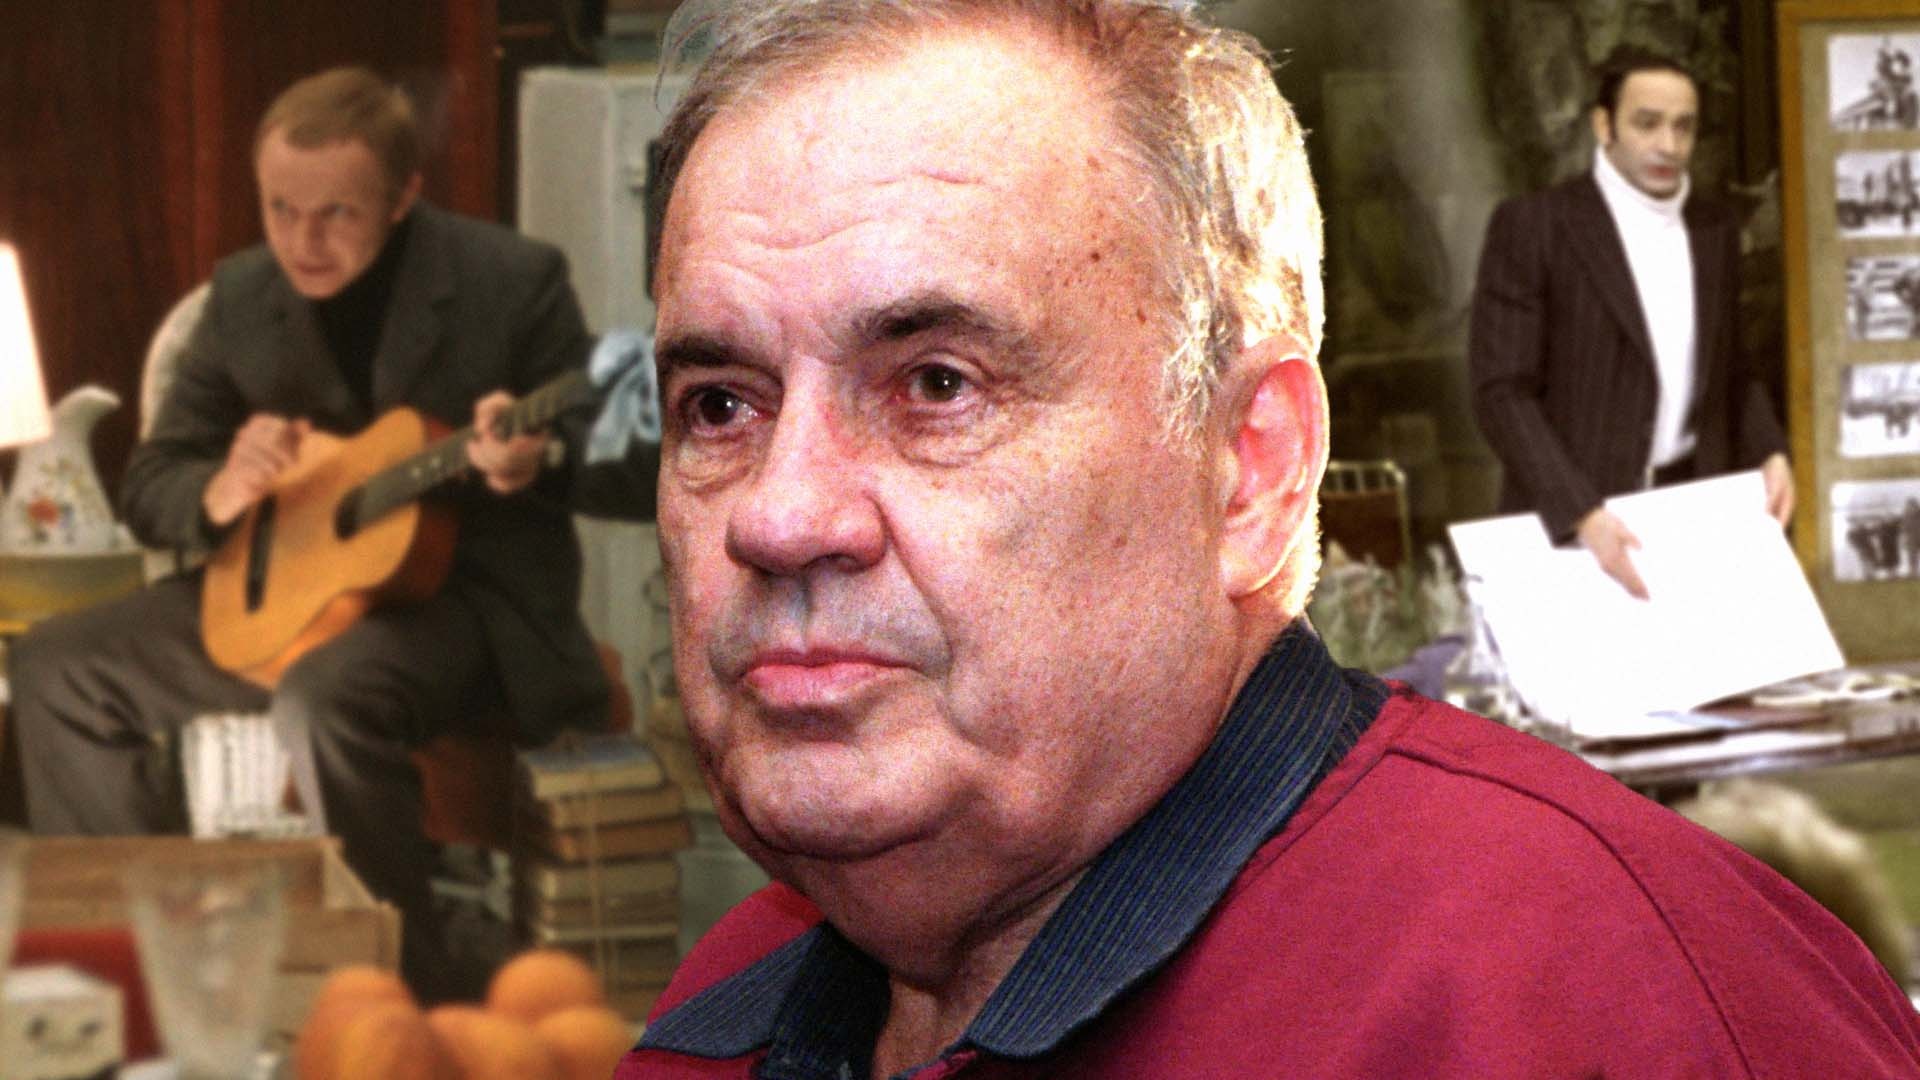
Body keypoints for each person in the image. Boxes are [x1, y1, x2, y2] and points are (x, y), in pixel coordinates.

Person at [619, 3, 1920, 1076]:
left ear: (1253, 469)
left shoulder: (1605, 1005)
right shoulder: (719, 1015)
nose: (780, 516)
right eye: (720, 406)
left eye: (937, 387)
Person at [2, 67, 654, 1000]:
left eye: (337, 213)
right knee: (57, 668)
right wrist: (219, 488)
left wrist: (540, 458)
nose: (302, 241)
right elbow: (151, 482)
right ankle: (139, 965)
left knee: (324, 700)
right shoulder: (243, 295)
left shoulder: (510, 280)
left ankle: (399, 988)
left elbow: (634, 467)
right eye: (280, 209)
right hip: (281, 593)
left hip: (463, 607)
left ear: (403, 196)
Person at [1469, 47, 1792, 600]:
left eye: (1683, 127)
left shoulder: (1713, 229)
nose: (1669, 145)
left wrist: (1770, 451)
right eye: (1647, 123)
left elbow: (1732, 370)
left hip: (1689, 515)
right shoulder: (1535, 225)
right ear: (1604, 125)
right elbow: (1501, 392)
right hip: (1567, 527)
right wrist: (1582, 512)